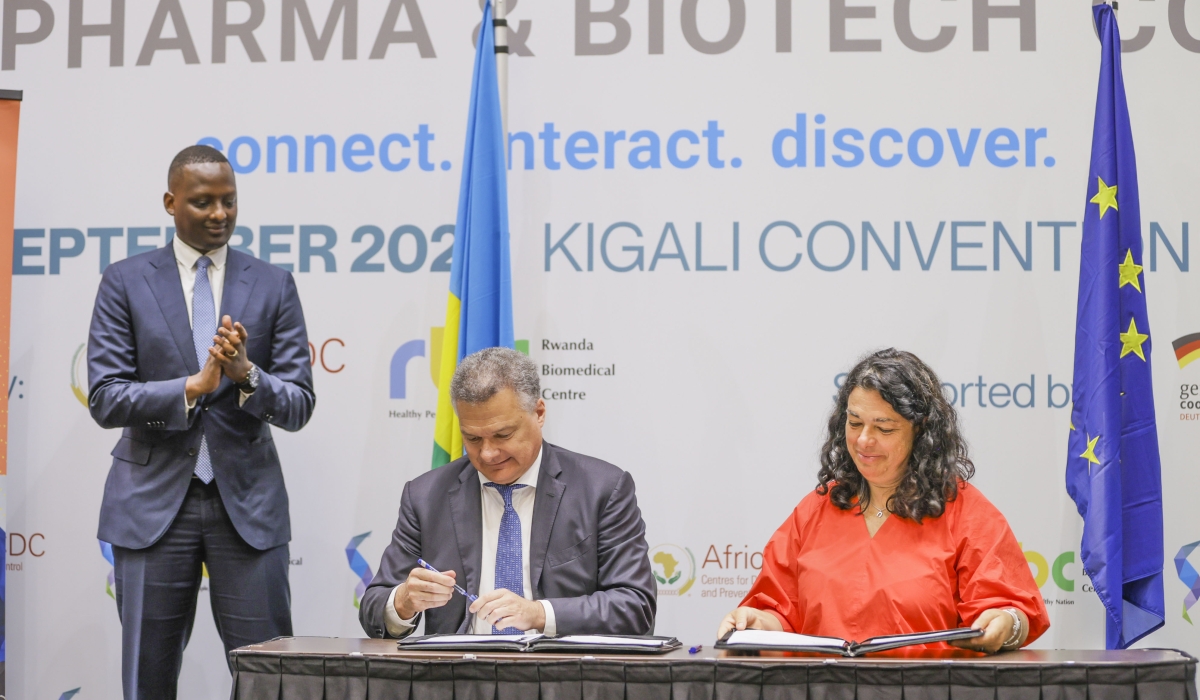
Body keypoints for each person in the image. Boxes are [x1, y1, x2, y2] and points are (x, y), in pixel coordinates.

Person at [88, 145, 316, 698]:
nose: (219, 214)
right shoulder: (124, 281)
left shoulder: (273, 283)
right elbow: (104, 396)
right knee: (148, 678)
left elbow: (299, 403)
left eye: (229, 202)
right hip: (151, 506)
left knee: (270, 678)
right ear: (170, 203)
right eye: (203, 202)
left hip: (249, 507)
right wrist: (190, 389)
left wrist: (246, 376)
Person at [718, 349, 1049, 654]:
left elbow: (1010, 614)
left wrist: (1007, 624)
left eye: (884, 428)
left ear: (920, 431)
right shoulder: (817, 508)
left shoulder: (966, 513)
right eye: (855, 423)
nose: (864, 440)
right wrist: (754, 624)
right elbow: (779, 612)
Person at [360, 347, 656, 638]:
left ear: (539, 413)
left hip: (562, 677)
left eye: (503, 435)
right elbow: (374, 609)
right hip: (457, 678)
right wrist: (404, 601)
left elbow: (635, 606)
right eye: (472, 438)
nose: (487, 454)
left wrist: (539, 614)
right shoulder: (425, 496)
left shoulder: (601, 489)